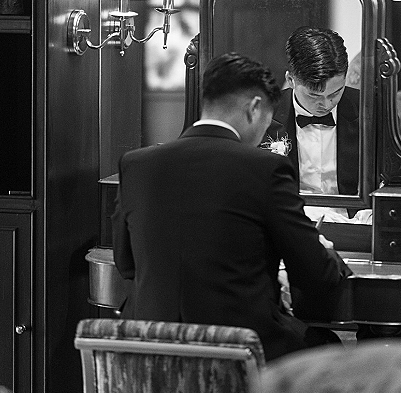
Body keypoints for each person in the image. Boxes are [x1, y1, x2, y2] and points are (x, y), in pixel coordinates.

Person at [111, 52, 353, 362]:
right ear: (254, 108)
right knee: (327, 346)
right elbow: (313, 274)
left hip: (152, 353)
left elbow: (126, 264)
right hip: (238, 352)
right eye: (267, 120)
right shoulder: (266, 169)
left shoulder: (136, 165)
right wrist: (326, 254)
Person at [263, 27, 360, 203]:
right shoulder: (265, 114)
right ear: (291, 80)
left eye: (335, 93)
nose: (326, 104)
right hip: (289, 217)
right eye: (314, 96)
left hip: (352, 219)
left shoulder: (368, 111)